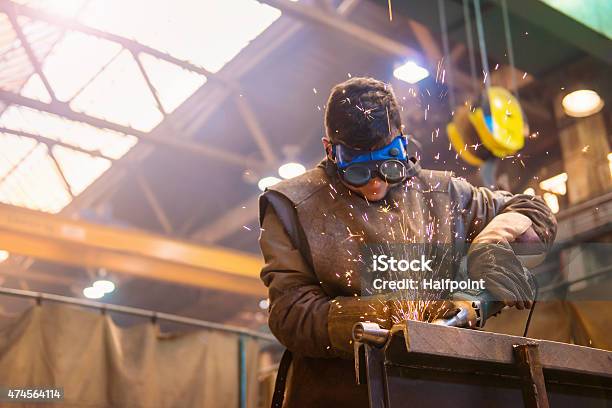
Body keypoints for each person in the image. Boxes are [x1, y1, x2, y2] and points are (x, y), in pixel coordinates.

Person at [258, 77, 556, 407]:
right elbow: (291, 314)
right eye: (358, 172)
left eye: (388, 168)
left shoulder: (442, 192)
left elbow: (532, 212)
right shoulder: (292, 205)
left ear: (401, 143)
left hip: (443, 389)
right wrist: (397, 316)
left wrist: (492, 252)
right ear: (330, 150)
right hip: (341, 394)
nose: (374, 185)